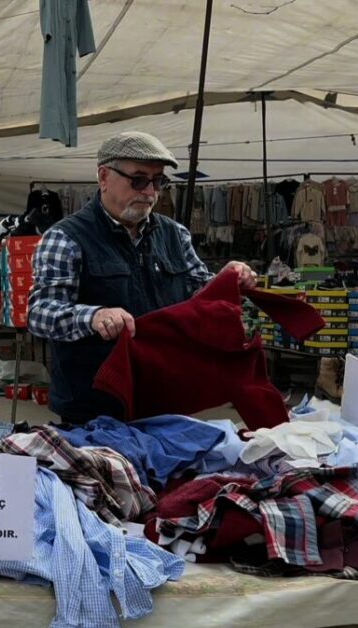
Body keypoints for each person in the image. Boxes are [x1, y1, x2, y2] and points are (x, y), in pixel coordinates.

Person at [28, 131, 257, 424]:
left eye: (158, 181)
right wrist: (93, 316)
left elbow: (198, 294)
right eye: (138, 180)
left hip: (166, 398)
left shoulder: (175, 234)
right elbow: (40, 313)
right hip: (94, 409)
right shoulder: (65, 238)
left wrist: (225, 283)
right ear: (104, 177)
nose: (150, 192)